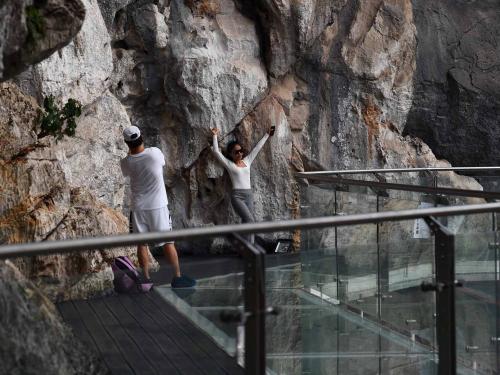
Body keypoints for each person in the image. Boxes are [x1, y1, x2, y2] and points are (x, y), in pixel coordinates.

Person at [120, 126, 195, 288]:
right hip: (158, 206)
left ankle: (146, 280)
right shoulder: (154, 153)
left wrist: (130, 153)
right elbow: (161, 163)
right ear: (141, 137)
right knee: (168, 242)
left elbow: (126, 168)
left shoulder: (126, 162)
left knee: (142, 244)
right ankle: (177, 277)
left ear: (127, 143)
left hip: (138, 207)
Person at [210, 126, 275, 243]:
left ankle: (246, 248)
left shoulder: (247, 161)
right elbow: (216, 152)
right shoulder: (230, 165)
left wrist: (267, 134)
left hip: (248, 195)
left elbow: (257, 148)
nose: (240, 153)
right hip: (237, 196)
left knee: (247, 223)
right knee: (250, 220)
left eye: (241, 151)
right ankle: (250, 248)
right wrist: (215, 135)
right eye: (236, 152)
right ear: (231, 154)